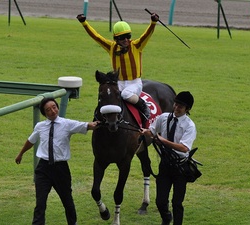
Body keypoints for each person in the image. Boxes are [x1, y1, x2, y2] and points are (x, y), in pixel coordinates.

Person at [15, 97, 99, 225]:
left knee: (67, 201)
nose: (52, 111)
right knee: (40, 203)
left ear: (57, 107)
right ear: (44, 113)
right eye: (48, 110)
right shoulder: (40, 126)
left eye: (54, 107)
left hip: (61, 169)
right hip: (43, 168)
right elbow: (31, 141)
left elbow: (85, 125)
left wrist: (96, 124)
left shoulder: (67, 124)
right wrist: (20, 154)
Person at [76, 12, 159, 121]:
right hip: (119, 82)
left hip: (134, 83)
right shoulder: (111, 47)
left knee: (125, 94)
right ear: (116, 38)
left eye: (128, 36)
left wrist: (153, 22)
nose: (126, 40)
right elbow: (96, 36)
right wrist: (84, 23)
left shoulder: (136, 45)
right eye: (122, 37)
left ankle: (144, 107)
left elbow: (147, 34)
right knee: (108, 94)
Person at [140, 91, 197, 225]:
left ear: (187, 109)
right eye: (176, 104)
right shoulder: (163, 118)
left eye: (181, 107)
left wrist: (162, 140)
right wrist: (144, 132)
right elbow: (152, 132)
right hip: (165, 165)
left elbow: (184, 148)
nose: (177, 108)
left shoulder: (189, 126)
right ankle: (166, 218)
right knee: (160, 201)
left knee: (177, 203)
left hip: (180, 168)